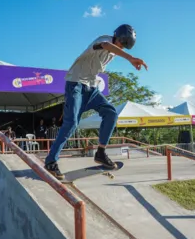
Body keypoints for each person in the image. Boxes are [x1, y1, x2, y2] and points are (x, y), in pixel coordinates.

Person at [44, 24, 148, 180]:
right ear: (117, 38)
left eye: (124, 47)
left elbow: (111, 52)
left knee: (111, 113)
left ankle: (100, 152)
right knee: (71, 123)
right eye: (121, 44)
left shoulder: (114, 52)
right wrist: (130, 59)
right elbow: (107, 46)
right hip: (75, 84)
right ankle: (51, 161)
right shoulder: (104, 40)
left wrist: (127, 55)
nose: (121, 48)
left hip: (91, 89)